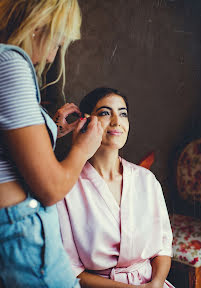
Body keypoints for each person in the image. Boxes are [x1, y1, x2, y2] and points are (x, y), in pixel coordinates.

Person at [0, 0, 103, 287]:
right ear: (38, 25)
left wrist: (54, 129)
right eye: (58, 42)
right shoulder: (10, 63)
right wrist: (83, 149)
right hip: (22, 231)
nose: (50, 57)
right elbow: (50, 188)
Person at [57, 87, 175, 288]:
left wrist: (155, 284)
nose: (116, 121)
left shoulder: (146, 180)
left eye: (123, 114)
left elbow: (163, 247)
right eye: (104, 113)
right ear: (85, 121)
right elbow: (70, 270)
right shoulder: (67, 188)